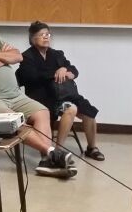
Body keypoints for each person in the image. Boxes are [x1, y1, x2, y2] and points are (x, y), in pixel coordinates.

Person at [0, 9, 74, 178]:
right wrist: (3, 59)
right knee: (12, 119)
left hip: (15, 95)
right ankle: (52, 152)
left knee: (42, 112)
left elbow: (18, 57)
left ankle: (46, 161)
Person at [16, 21, 104, 161]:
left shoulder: (57, 54)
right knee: (71, 109)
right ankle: (57, 150)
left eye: (48, 34)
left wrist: (67, 71)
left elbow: (73, 69)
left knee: (89, 111)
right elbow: (32, 76)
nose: (46, 37)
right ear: (32, 38)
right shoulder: (27, 56)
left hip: (64, 93)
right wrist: (56, 72)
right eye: (41, 35)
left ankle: (92, 148)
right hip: (41, 96)